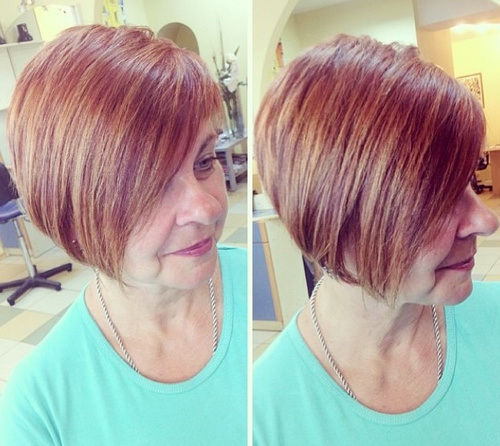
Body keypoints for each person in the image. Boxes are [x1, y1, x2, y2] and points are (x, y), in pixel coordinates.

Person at [0, 25, 247, 445]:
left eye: (204, 161)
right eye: (153, 185)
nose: (205, 208)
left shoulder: (258, 287)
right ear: (72, 208)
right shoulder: (39, 410)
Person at [253, 34, 500, 445]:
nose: (486, 221)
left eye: (468, 179)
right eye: (437, 197)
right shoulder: (264, 418)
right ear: (334, 216)